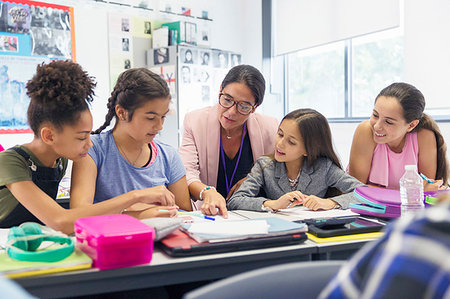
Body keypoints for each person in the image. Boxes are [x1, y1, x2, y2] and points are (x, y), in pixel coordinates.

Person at [0, 61, 174, 235]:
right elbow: (61, 221)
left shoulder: (59, 161)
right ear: (49, 136)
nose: (90, 144)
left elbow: (75, 217)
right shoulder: (10, 162)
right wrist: (135, 196)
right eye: (82, 137)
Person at [70, 68, 191, 215]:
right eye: (151, 118)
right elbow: (78, 213)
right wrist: (137, 213)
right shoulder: (91, 149)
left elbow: (185, 214)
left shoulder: (168, 155)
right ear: (121, 112)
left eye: (163, 117)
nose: (159, 126)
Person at [179, 65, 279, 217]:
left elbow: (278, 169)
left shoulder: (269, 127)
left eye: (244, 106)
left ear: (254, 107)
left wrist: (252, 178)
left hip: (253, 213)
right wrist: (207, 192)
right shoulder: (195, 121)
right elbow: (187, 172)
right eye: (227, 99)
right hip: (210, 213)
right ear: (220, 90)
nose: (231, 112)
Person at [227, 108, 365, 212]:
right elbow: (235, 201)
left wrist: (331, 203)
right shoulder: (265, 166)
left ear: (308, 149)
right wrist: (272, 204)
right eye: (280, 134)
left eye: (291, 142)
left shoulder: (324, 167)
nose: (280, 144)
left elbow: (365, 194)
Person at [319, 195, 450, 299]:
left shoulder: (325, 168)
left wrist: (332, 201)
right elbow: (362, 190)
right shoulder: (430, 233)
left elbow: (356, 188)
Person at [348, 82, 448, 191]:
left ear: (411, 125)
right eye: (375, 115)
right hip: (371, 207)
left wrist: (420, 190)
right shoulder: (366, 131)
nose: (377, 126)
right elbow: (356, 189)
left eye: (388, 122)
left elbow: (427, 189)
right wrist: (409, 191)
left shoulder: (424, 136)